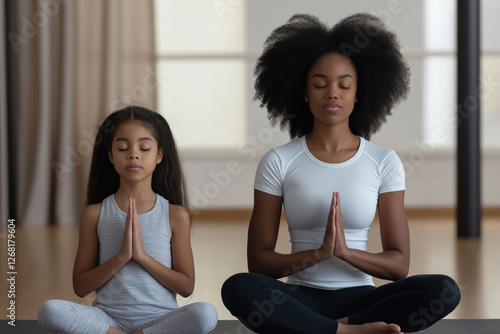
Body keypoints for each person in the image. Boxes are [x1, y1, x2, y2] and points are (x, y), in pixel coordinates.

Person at [221, 13, 460, 334]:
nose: (332, 92)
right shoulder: (279, 160)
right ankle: (347, 332)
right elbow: (260, 263)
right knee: (239, 287)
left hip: (364, 299)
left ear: (358, 93)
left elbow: (399, 266)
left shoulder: (383, 161)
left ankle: (323, 329)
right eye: (320, 84)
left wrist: (345, 253)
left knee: (443, 289)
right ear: (304, 92)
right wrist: (318, 254)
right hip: (299, 297)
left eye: (344, 85)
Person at [38, 106, 218, 334]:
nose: (134, 154)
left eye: (144, 147)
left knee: (205, 313)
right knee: (49, 310)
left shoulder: (175, 215)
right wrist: (122, 256)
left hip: (160, 319)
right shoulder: (94, 214)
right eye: (123, 147)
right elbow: (81, 287)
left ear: (159, 155)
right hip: (108, 319)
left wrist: (141, 256)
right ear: (111, 156)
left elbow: (186, 286)